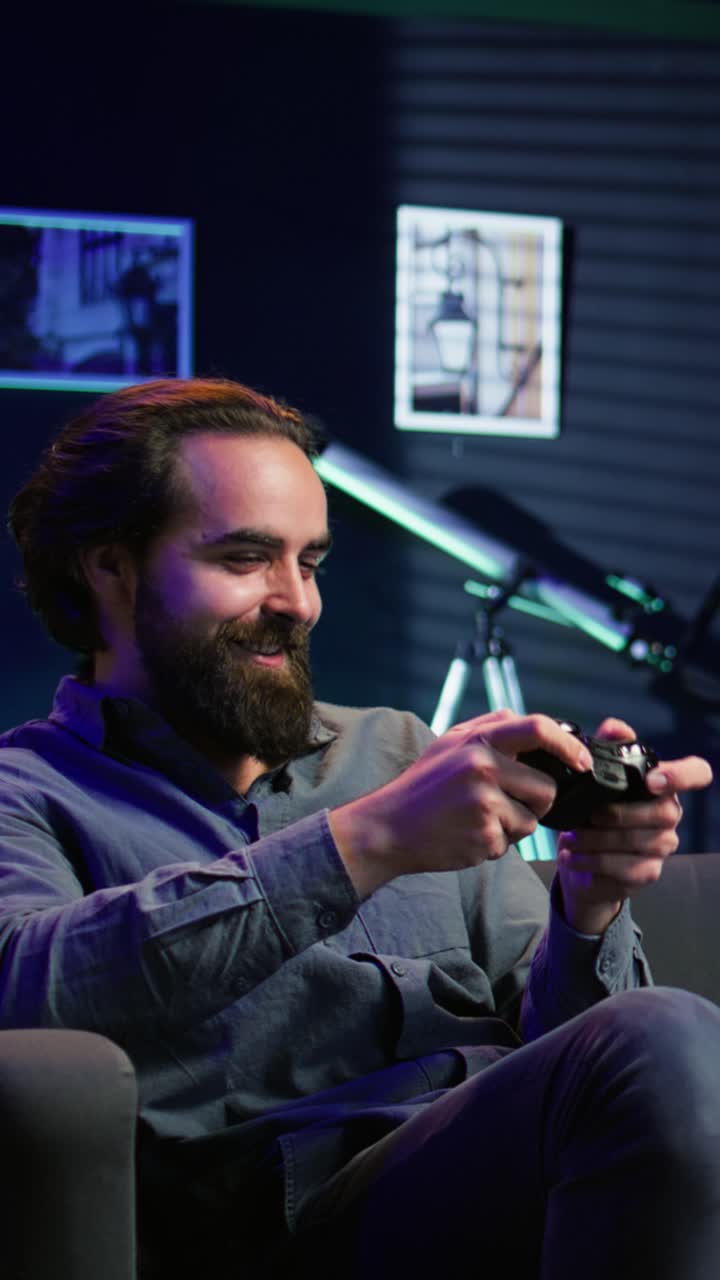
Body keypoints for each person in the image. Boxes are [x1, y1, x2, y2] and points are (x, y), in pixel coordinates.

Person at [1, 376, 718, 1280]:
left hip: (502, 1180)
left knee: (661, 1040)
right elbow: (23, 989)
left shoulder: (400, 749)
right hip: (291, 1220)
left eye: (310, 562)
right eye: (246, 558)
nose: (298, 602)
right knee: (660, 1035)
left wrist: (589, 907)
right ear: (110, 568)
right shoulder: (25, 794)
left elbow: (573, 1061)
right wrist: (363, 844)